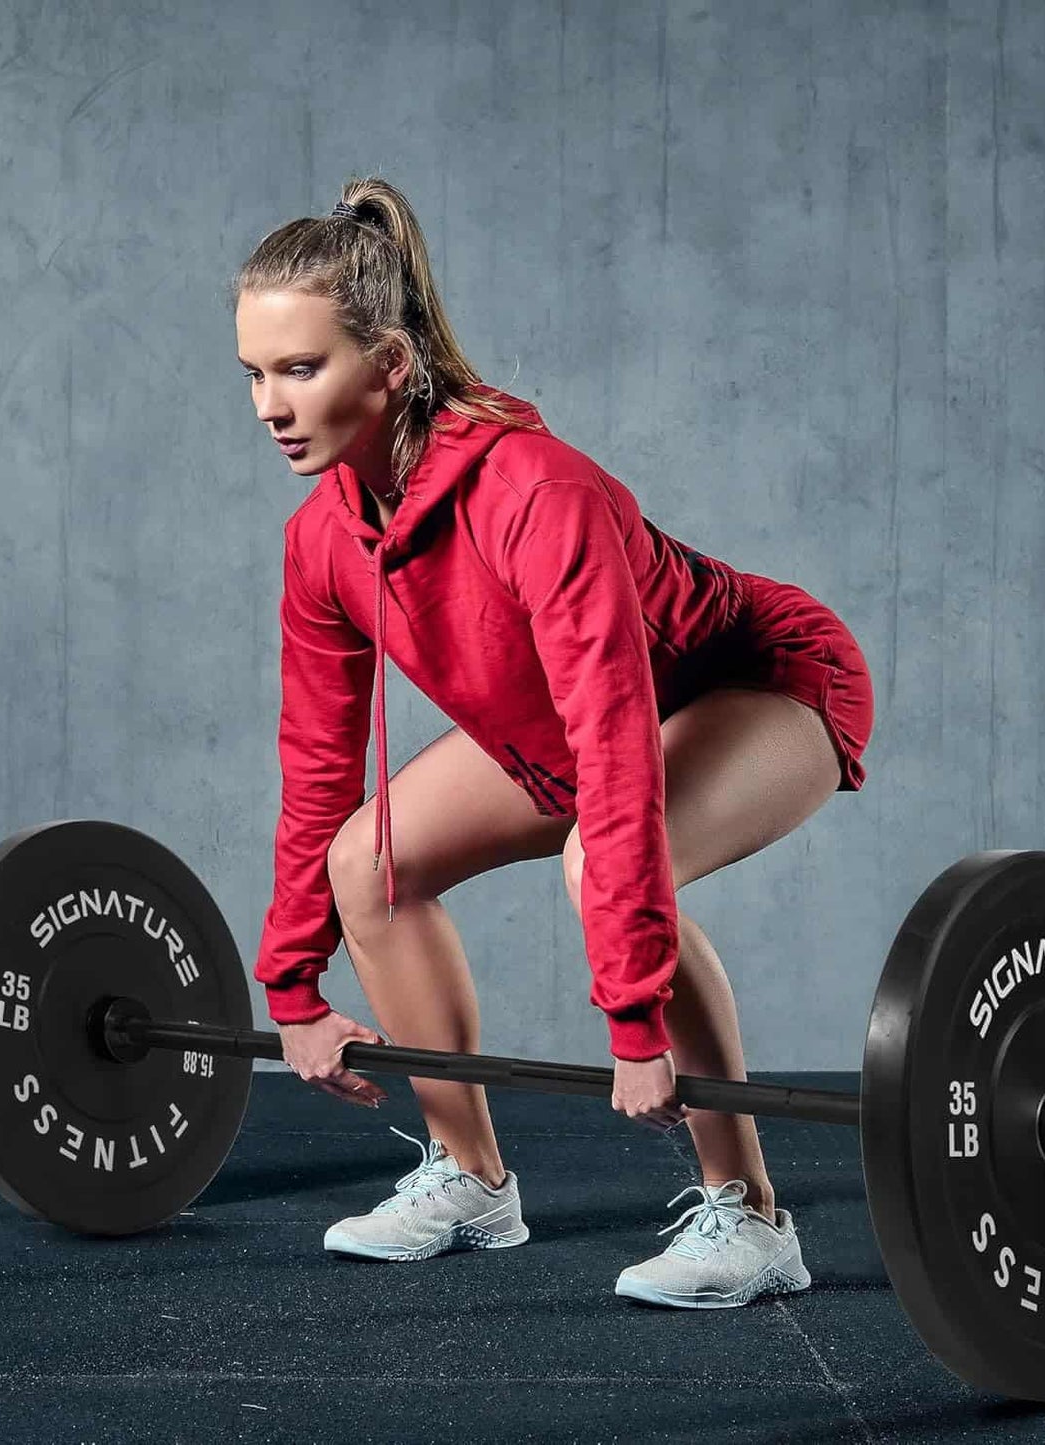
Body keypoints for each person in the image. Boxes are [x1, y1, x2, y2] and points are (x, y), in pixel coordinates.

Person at [230, 174, 875, 1308]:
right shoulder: (322, 543)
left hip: (763, 684)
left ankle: (752, 1215)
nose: (270, 405)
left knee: (604, 863)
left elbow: (617, 752)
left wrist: (632, 1018)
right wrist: (291, 986)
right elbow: (319, 766)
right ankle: (471, 1178)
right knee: (365, 863)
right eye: (254, 374)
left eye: (300, 369)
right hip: (570, 729)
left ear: (388, 365)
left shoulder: (538, 495)